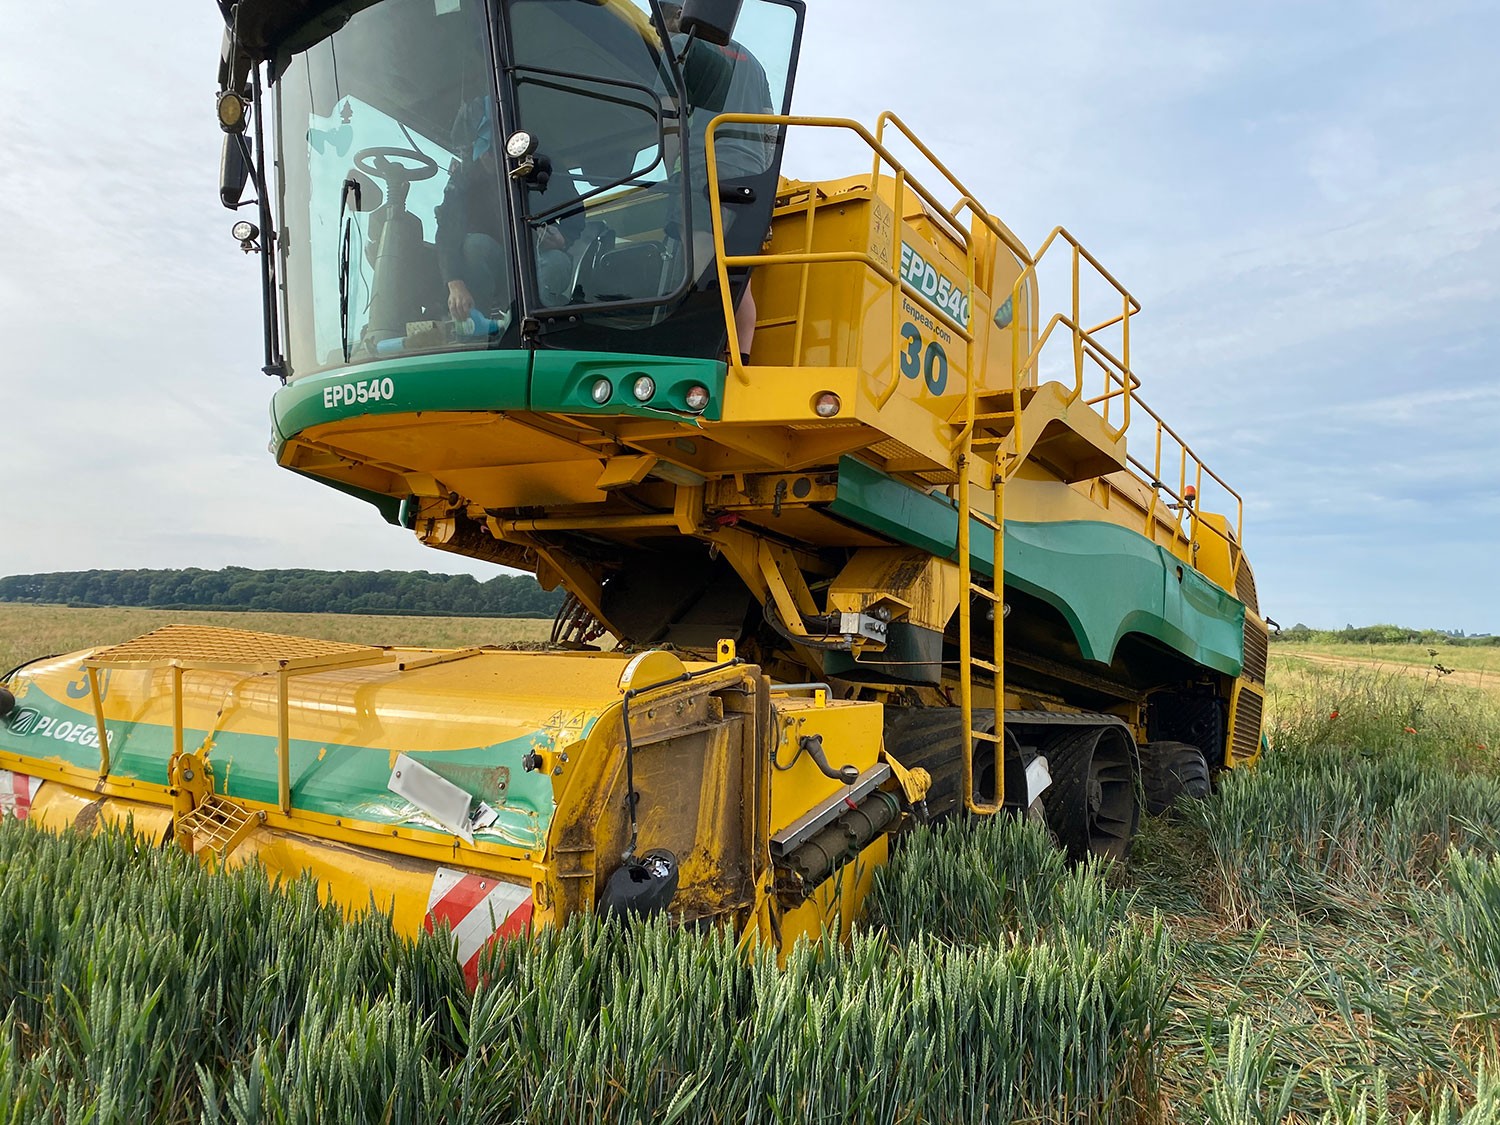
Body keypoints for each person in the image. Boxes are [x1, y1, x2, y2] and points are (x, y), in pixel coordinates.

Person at [661, 3, 776, 363]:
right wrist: (763, 177)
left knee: (696, 262)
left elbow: (669, 114)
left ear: (676, 17)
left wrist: (672, 172)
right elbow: (770, 126)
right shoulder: (752, 62)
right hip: (752, 176)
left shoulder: (681, 45)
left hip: (706, 165)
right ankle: (740, 358)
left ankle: (692, 351)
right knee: (738, 275)